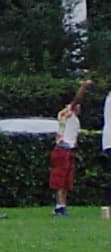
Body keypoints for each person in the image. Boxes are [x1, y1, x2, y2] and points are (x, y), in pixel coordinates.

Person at [51, 78, 91, 214]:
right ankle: (60, 206)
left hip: (67, 149)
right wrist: (83, 87)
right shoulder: (68, 112)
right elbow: (77, 99)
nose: (79, 108)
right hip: (63, 149)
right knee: (61, 180)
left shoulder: (69, 116)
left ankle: (61, 205)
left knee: (66, 181)